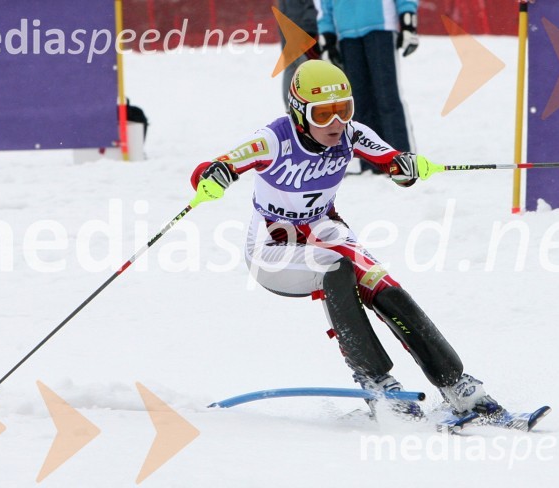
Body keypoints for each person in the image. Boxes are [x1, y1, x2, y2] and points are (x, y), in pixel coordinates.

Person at [190, 60, 502, 420]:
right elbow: (214, 168)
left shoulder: (352, 133)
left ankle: (457, 385)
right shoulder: (272, 139)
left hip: (323, 229)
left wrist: (407, 167)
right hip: (271, 247)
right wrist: (213, 175)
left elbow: (394, 164)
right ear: (299, 113)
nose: (336, 123)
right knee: (335, 269)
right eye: (323, 114)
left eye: (344, 110)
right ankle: (376, 382)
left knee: (385, 288)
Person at [317, 0, 418, 174]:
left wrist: (407, 18)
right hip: (346, 32)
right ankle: (371, 162)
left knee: (387, 96)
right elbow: (323, 4)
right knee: (358, 102)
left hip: (381, 25)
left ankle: (401, 159)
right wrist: (327, 36)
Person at [277, 0, 321, 109]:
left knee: (299, 71)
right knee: (306, 72)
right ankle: (303, 108)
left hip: (296, 33)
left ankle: (296, 108)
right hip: (297, 33)